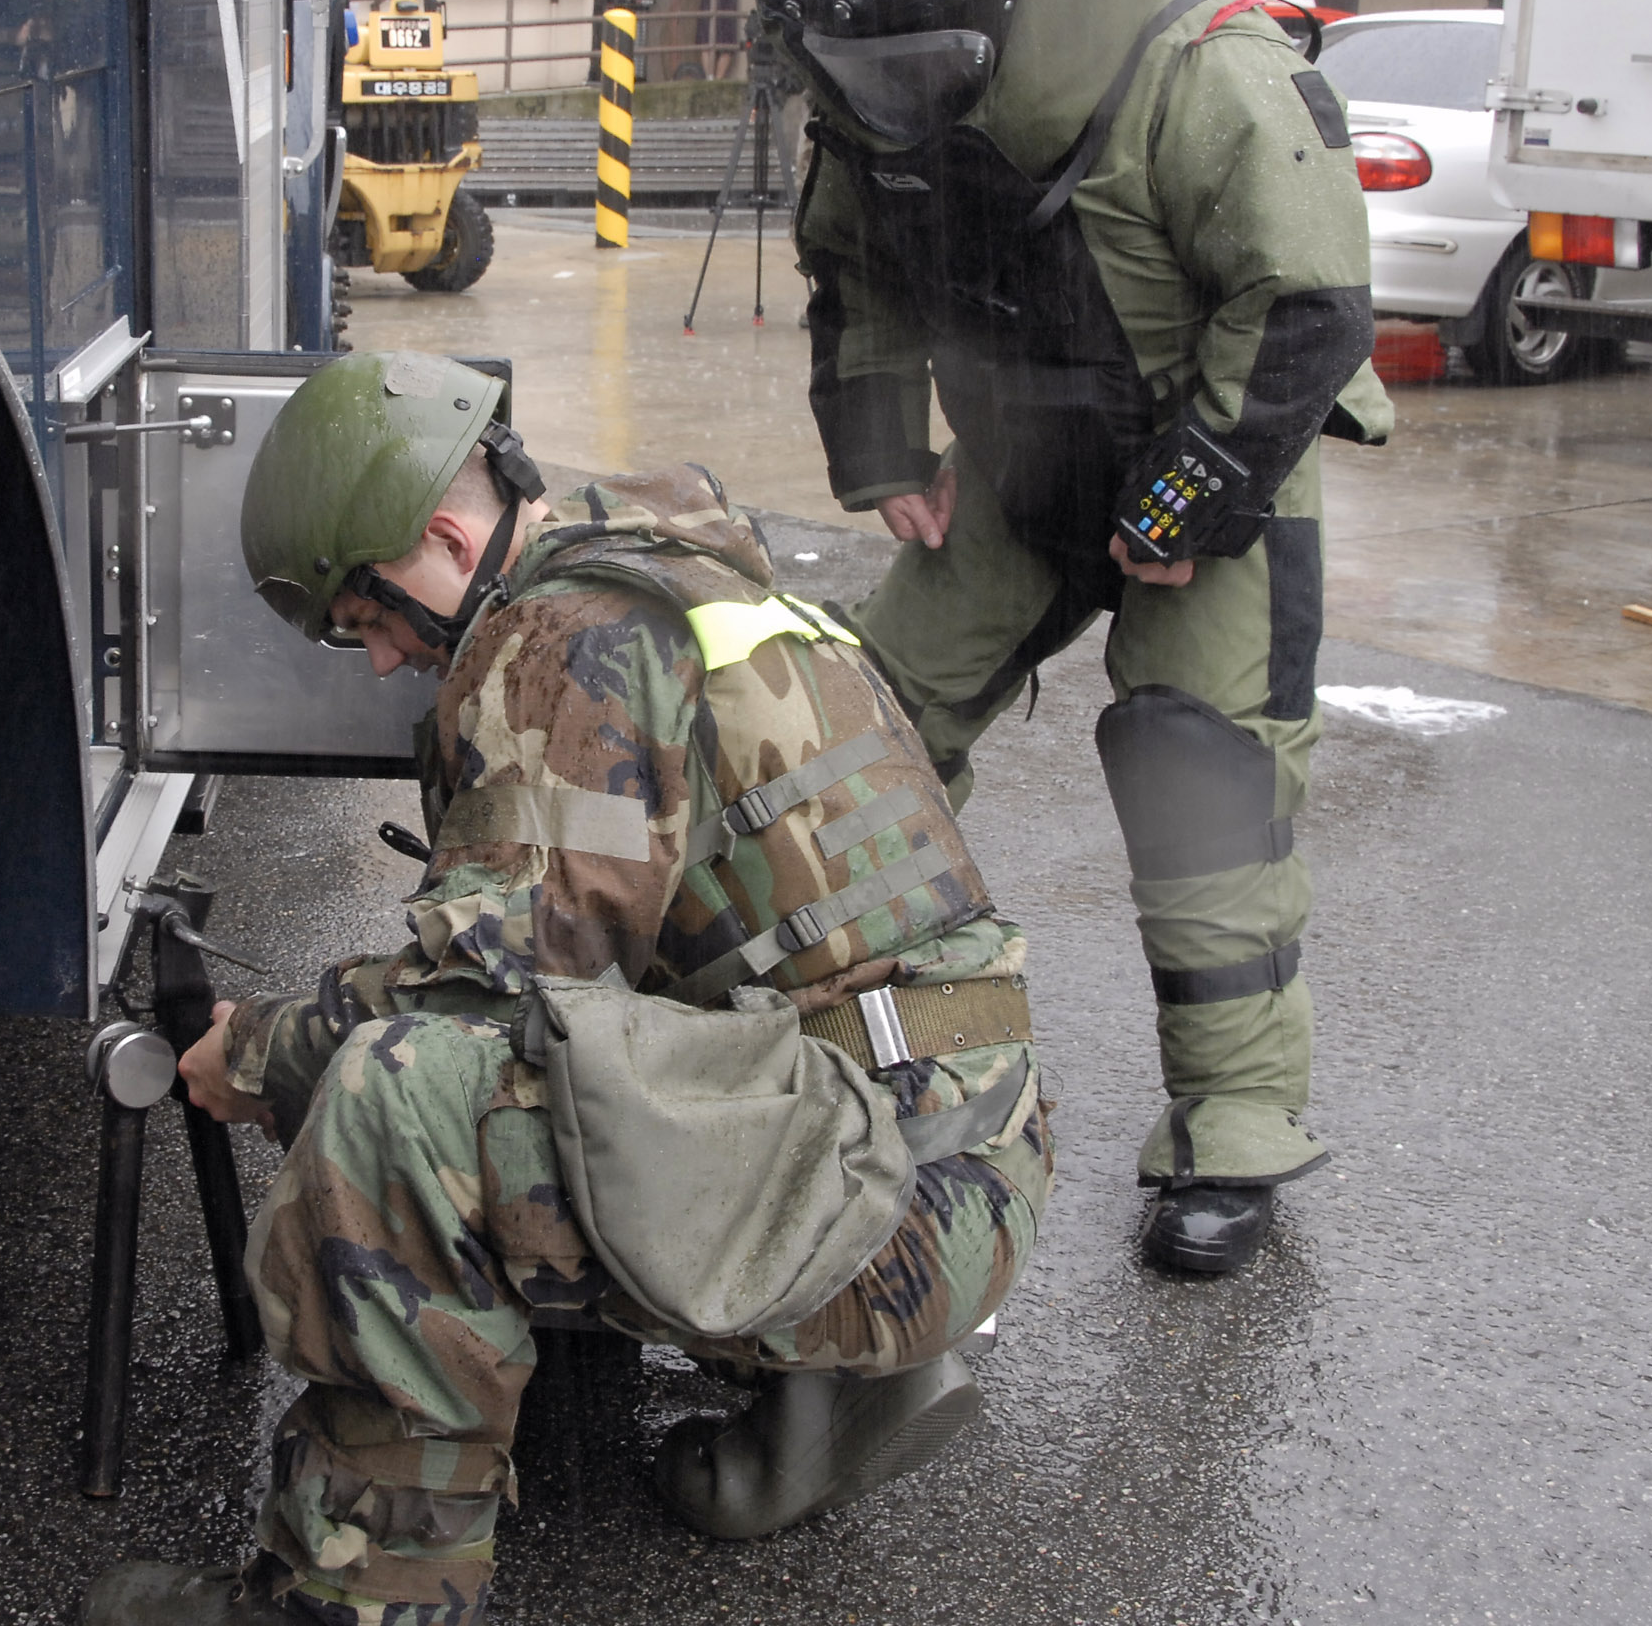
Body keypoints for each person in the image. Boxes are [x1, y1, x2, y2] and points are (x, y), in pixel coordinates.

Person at [83, 351, 1050, 1626]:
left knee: (398, 1106)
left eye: (370, 616)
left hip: (876, 1205)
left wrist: (255, 1054)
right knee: (528, 1068)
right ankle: (838, 1390)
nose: (379, 662)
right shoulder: (676, 574)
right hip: (952, 1145)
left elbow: (473, 1001)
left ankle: (355, 1598)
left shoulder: (561, 643)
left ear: (440, 533)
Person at [769, 0, 1392, 1277]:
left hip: (1210, 466)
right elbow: (853, 273)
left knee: (1198, 775)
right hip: (1019, 470)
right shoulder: (876, 98)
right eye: (871, 54)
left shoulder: (1211, 76)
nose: (893, 88)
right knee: (858, 730)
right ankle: (831, 1053)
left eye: (924, 49)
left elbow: (1307, 304)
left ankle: (1234, 1137)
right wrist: (880, 454)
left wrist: (1187, 500)